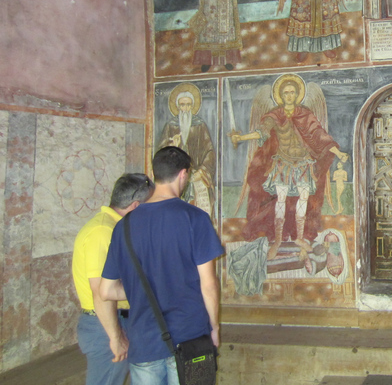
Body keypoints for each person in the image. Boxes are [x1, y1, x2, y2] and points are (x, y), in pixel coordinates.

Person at [100, 147, 224, 384]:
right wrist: (214, 326)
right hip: (190, 338)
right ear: (183, 175)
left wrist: (147, 289)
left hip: (144, 341)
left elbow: (106, 291)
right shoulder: (194, 218)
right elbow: (208, 284)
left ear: (154, 174)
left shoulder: (123, 226)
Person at [230, 75, 348, 260]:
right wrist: (241, 138)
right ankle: (277, 239)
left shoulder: (305, 114)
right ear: (281, 95)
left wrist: (338, 153)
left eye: (293, 92)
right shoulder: (275, 115)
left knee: (303, 198)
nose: (289, 95)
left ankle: (300, 238)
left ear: (298, 94)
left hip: (303, 163)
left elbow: (318, 134)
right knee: (281, 200)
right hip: (283, 163)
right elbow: (262, 132)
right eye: (286, 92)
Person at [72, 173, 154, 385]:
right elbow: (100, 291)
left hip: (117, 321)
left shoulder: (115, 227)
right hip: (106, 325)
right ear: (136, 206)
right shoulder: (102, 231)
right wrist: (115, 338)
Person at [158, 84, 215, 214]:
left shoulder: (200, 125)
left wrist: (202, 171)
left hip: (196, 174)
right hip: (175, 175)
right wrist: (174, 145)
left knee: (199, 208)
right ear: (177, 106)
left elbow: (209, 150)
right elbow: (161, 151)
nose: (185, 108)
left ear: (192, 106)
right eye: (182, 105)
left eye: (188, 105)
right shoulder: (170, 125)